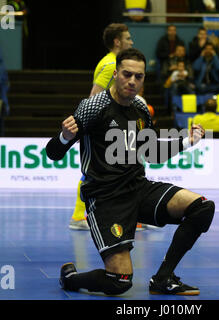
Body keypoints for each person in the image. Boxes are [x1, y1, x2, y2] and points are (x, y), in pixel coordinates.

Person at [45, 48, 214, 296]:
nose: (133, 81)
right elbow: (53, 152)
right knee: (120, 281)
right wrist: (64, 136)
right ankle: (71, 279)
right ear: (115, 74)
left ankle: (163, 278)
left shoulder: (141, 110)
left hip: (138, 188)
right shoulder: (93, 108)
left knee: (202, 208)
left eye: (139, 76)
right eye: (127, 74)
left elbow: (152, 154)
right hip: (105, 198)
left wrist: (187, 142)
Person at [69, 23, 133, 230]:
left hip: (118, 124)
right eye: (128, 38)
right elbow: (94, 97)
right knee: (92, 172)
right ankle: (78, 216)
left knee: (131, 165)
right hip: (105, 127)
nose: (131, 42)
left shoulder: (116, 62)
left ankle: (137, 216)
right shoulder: (110, 64)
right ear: (117, 42)